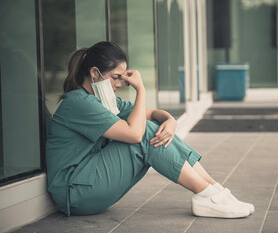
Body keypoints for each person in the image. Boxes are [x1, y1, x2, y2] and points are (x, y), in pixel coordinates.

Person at [45, 41, 254, 219]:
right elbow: (136, 133)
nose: (120, 84)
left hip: (87, 185)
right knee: (144, 133)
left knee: (152, 127)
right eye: (116, 77)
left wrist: (170, 120)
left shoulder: (102, 102)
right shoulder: (79, 103)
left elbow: (153, 114)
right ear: (94, 73)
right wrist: (141, 89)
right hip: (74, 191)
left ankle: (215, 191)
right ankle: (207, 195)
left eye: (123, 78)